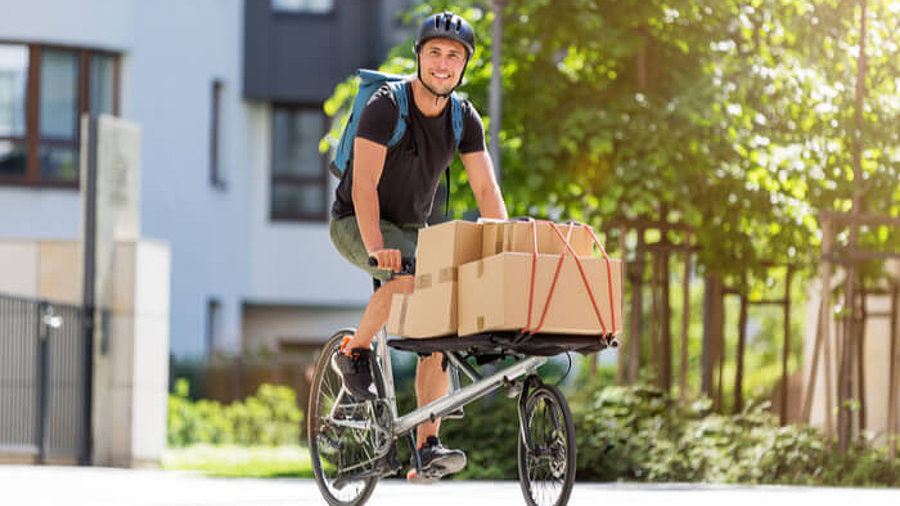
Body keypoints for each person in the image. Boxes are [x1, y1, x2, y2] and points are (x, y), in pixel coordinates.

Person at [328, 11, 507, 483]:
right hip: (356, 220)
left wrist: (507, 246)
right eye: (435, 53)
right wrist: (375, 249)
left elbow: (487, 192)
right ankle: (354, 352)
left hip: (413, 228)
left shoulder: (463, 118)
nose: (443, 64)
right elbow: (364, 185)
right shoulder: (387, 105)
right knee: (407, 279)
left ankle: (427, 444)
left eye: (454, 56)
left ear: (464, 64)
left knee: (439, 332)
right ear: (419, 58)